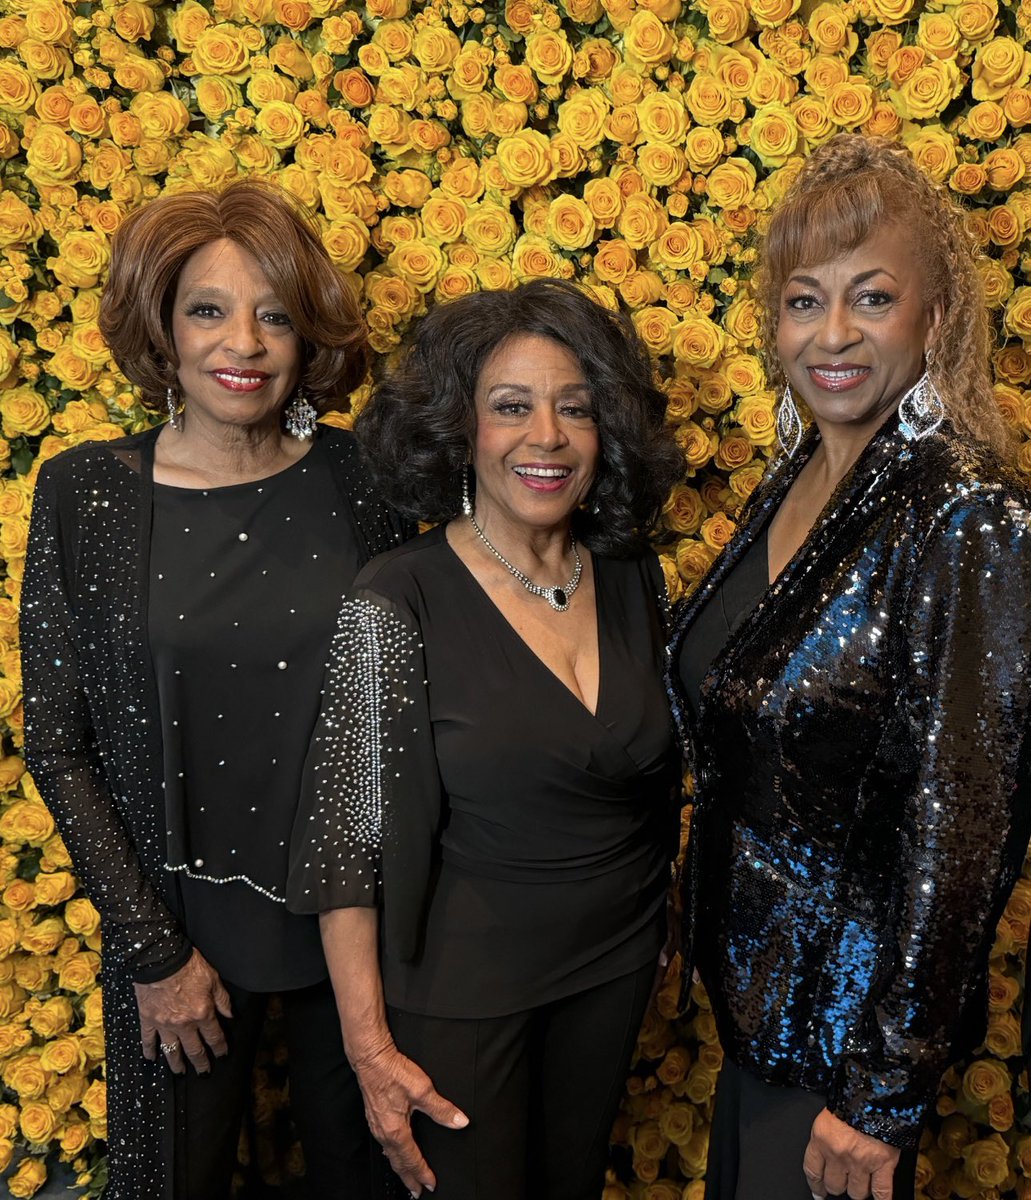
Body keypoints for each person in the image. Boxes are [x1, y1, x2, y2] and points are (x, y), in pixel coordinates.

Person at [21, 180, 408, 1199]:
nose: (244, 343)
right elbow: (58, 742)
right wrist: (151, 953)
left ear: (307, 334)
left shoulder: (366, 476)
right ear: (163, 330)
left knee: (370, 1182)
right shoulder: (88, 492)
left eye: (273, 313)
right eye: (209, 310)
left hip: (357, 936)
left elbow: (408, 707)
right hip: (177, 933)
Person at [666, 133, 1031, 1200]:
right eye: (800, 300)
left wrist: (882, 1090)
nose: (829, 335)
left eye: (869, 299)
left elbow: (962, 818)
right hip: (758, 1019)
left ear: (935, 318)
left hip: (842, 1053)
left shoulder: (962, 513)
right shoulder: (794, 486)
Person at [285, 279, 684, 1199]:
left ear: (603, 433)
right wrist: (369, 1048)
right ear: (462, 431)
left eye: (573, 409)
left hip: (615, 963)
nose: (545, 436)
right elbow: (346, 845)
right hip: (461, 987)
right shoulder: (395, 597)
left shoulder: (631, 576)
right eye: (511, 407)